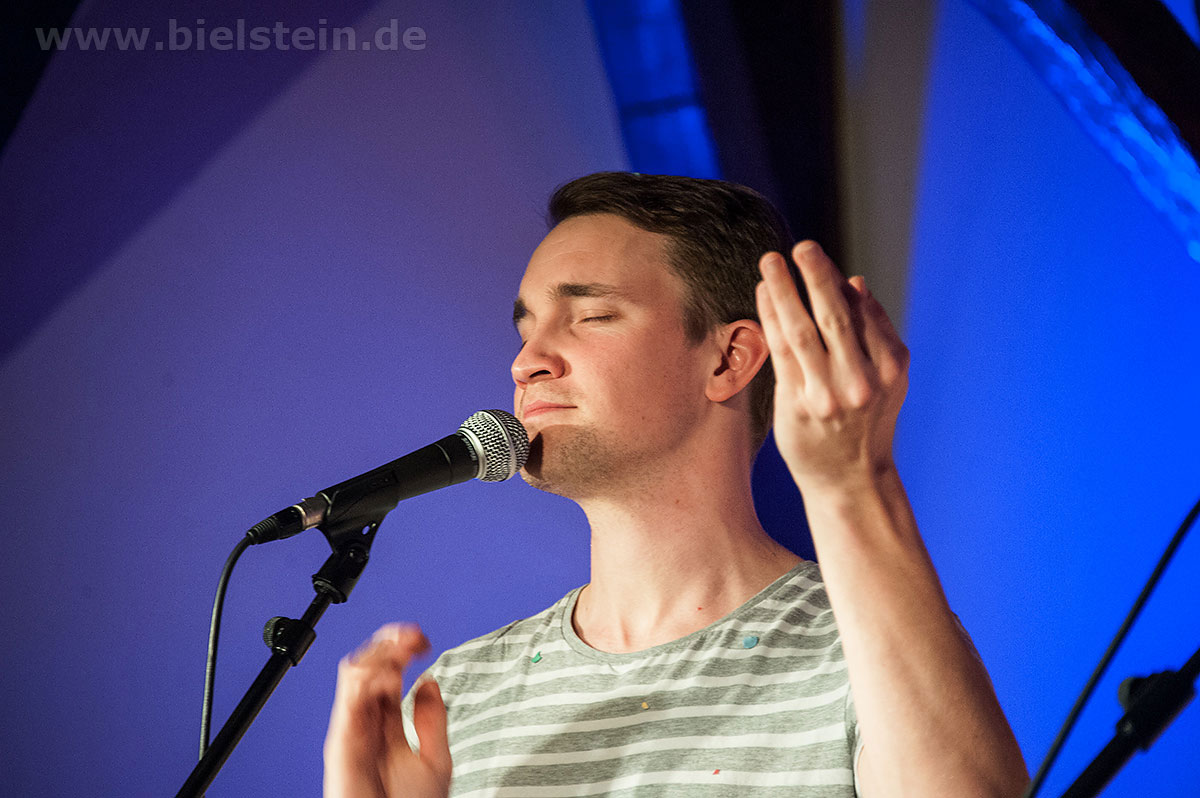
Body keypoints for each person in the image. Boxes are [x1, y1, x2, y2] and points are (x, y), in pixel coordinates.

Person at [323, 173, 1029, 797]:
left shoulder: (870, 647)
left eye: (592, 315)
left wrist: (853, 483)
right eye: (527, 328)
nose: (527, 360)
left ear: (728, 359)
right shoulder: (457, 697)